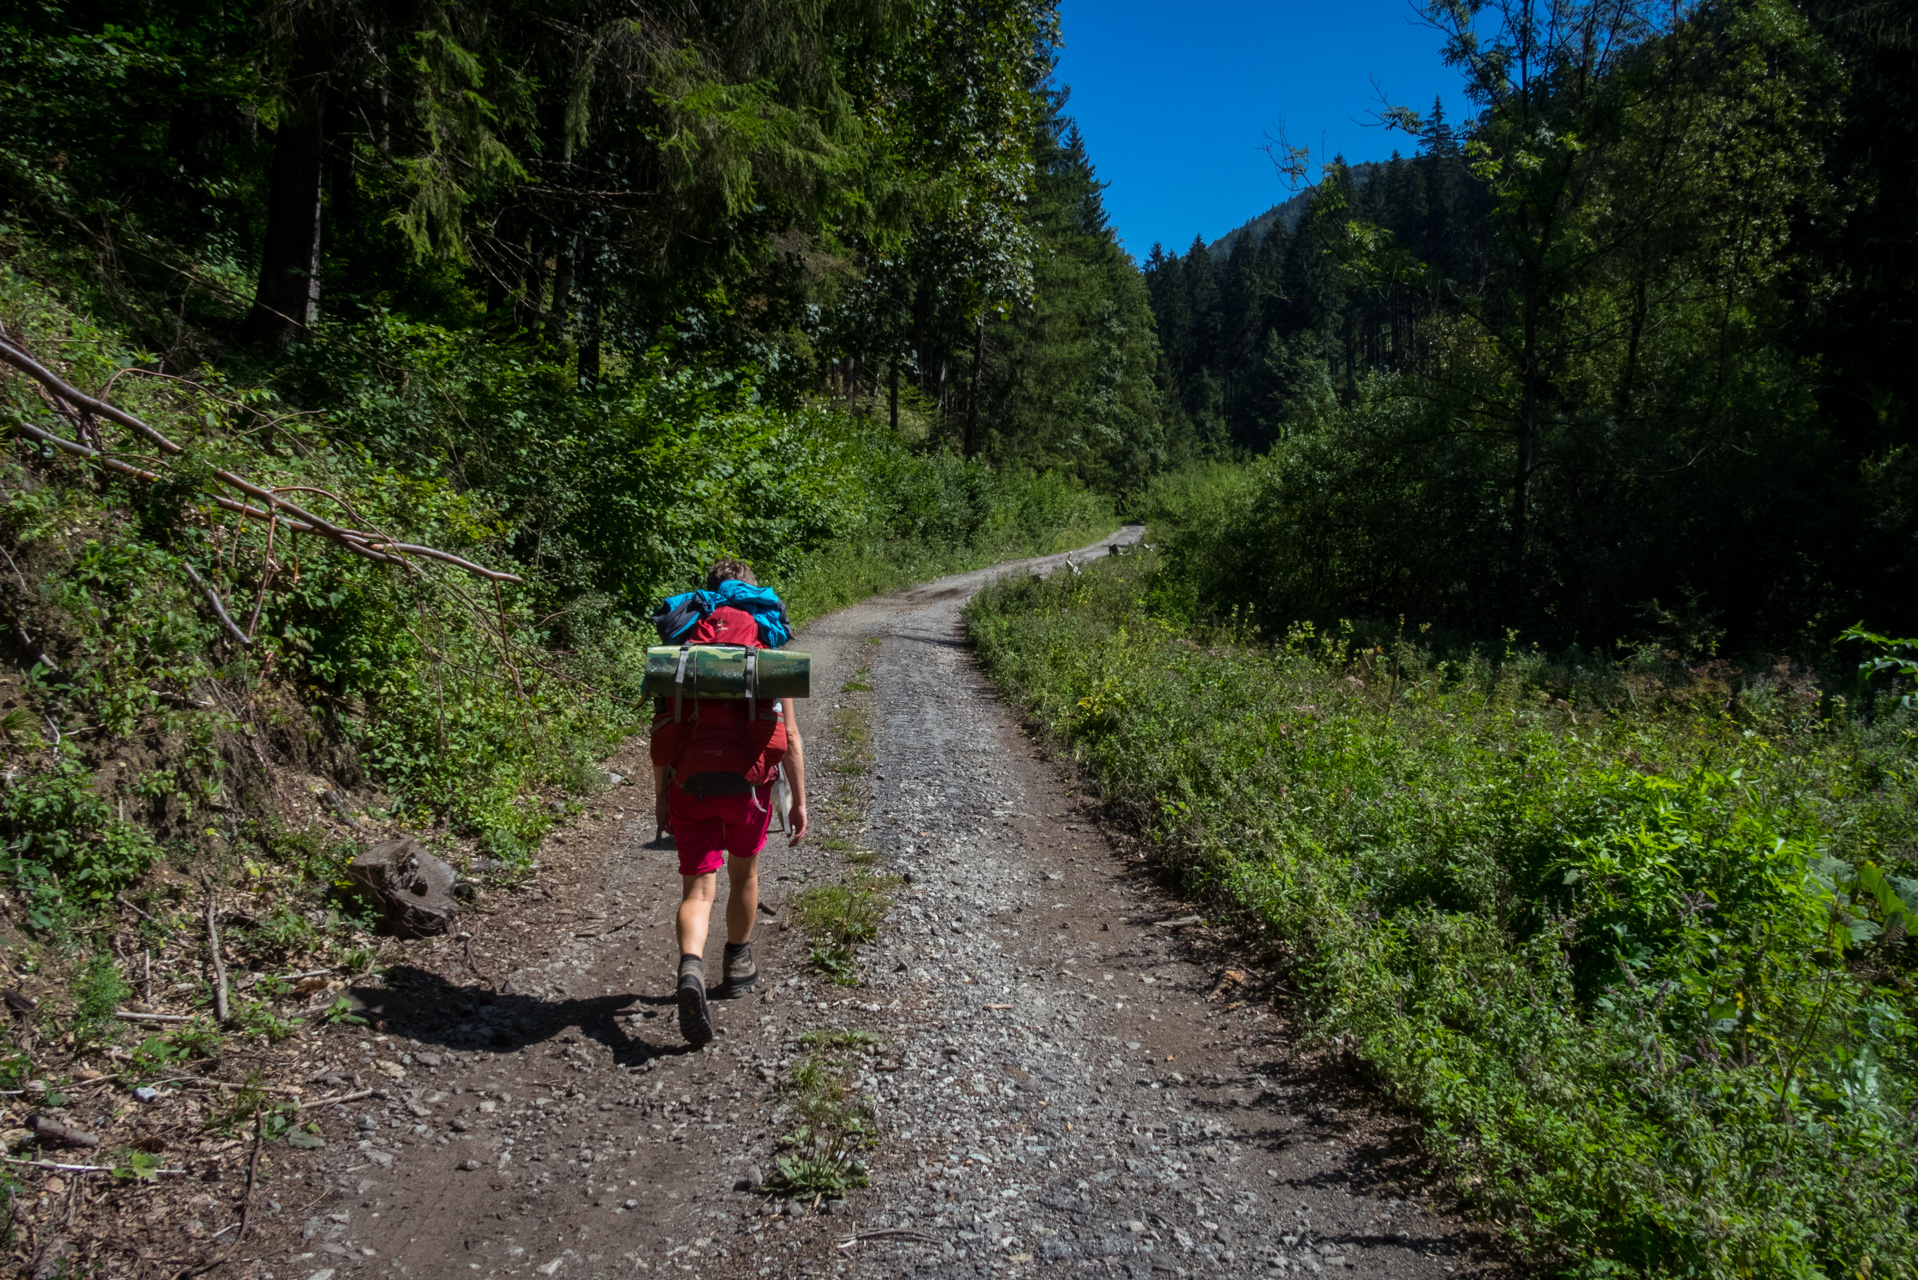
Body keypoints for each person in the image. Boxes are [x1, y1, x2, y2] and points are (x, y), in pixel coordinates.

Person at [649, 558, 808, 1047]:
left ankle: (690, 970)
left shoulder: (681, 650)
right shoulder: (766, 649)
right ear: (751, 591)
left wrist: (660, 800)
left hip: (689, 783)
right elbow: (793, 737)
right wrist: (798, 801)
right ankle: (738, 964)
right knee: (744, 875)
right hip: (749, 789)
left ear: (710, 593)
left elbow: (661, 731)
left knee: (697, 891)